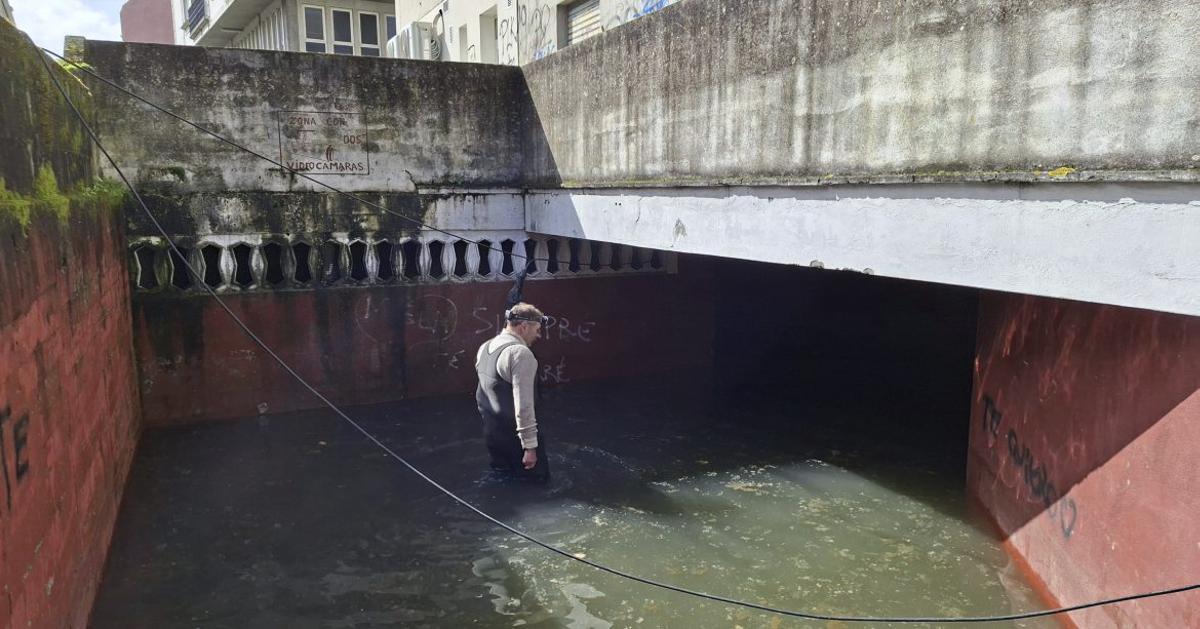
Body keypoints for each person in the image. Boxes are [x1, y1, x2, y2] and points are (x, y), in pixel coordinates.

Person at [475, 301, 550, 482]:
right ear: (524, 327)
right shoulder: (520, 354)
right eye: (537, 329)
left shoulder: (485, 347)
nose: (538, 335)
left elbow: (483, 395)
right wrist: (530, 447)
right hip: (518, 442)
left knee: (504, 483)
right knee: (536, 488)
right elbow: (523, 405)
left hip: (494, 438)